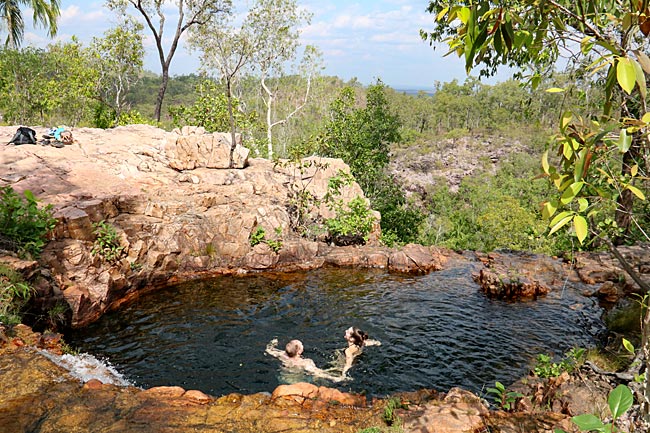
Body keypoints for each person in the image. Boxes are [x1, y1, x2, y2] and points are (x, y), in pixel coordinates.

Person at [265, 338, 347, 382]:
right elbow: (318, 373)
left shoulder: (282, 355)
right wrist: (334, 378)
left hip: (283, 378)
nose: (302, 344)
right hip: (297, 381)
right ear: (299, 351)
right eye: (301, 344)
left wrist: (272, 343)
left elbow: (269, 350)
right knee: (320, 379)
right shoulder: (305, 362)